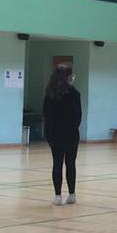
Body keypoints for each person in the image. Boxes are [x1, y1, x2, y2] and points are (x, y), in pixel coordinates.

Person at [43, 64, 82, 205]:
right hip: (71, 135)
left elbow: (46, 116)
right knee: (71, 163)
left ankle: (57, 196)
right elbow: (78, 117)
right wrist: (71, 128)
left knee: (57, 164)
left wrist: (49, 134)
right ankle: (72, 195)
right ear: (68, 77)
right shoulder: (75, 94)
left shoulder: (49, 94)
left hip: (55, 135)